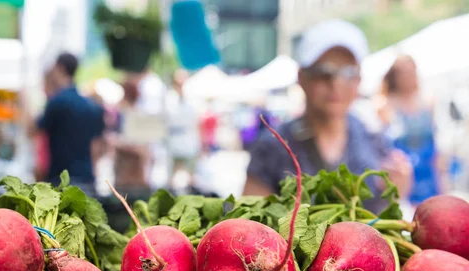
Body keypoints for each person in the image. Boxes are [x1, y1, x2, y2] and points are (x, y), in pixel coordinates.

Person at [243, 19, 413, 213]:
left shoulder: (373, 140)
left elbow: (388, 211)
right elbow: (251, 217)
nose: (336, 84)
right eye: (323, 73)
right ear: (301, 77)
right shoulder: (272, 147)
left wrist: (398, 190)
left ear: (359, 79)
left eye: (348, 72)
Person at [378, 55, 441, 205]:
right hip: (402, 178)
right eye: (402, 73)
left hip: (428, 176)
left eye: (410, 72)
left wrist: (442, 180)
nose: (407, 77)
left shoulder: (428, 102)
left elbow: (436, 144)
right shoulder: (385, 105)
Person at [37, 53, 105, 189]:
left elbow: (34, 132)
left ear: (60, 68)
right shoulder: (92, 106)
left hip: (60, 179)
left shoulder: (56, 102)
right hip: (87, 178)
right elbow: (98, 147)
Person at [166, 69, 201, 191]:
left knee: (191, 173)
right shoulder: (169, 97)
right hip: (173, 139)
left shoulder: (192, 97)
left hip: (188, 138)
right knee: (172, 172)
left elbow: (196, 120)